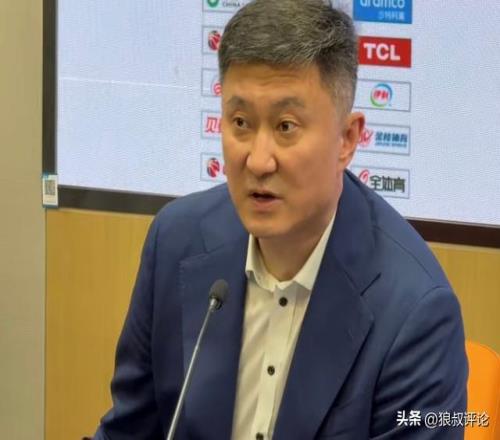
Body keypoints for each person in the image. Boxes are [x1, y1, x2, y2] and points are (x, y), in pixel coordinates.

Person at [93, 1, 468, 438]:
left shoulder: (417, 312)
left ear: (347, 139)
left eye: (286, 126)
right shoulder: (175, 243)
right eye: (240, 122)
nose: (258, 160)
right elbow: (128, 431)